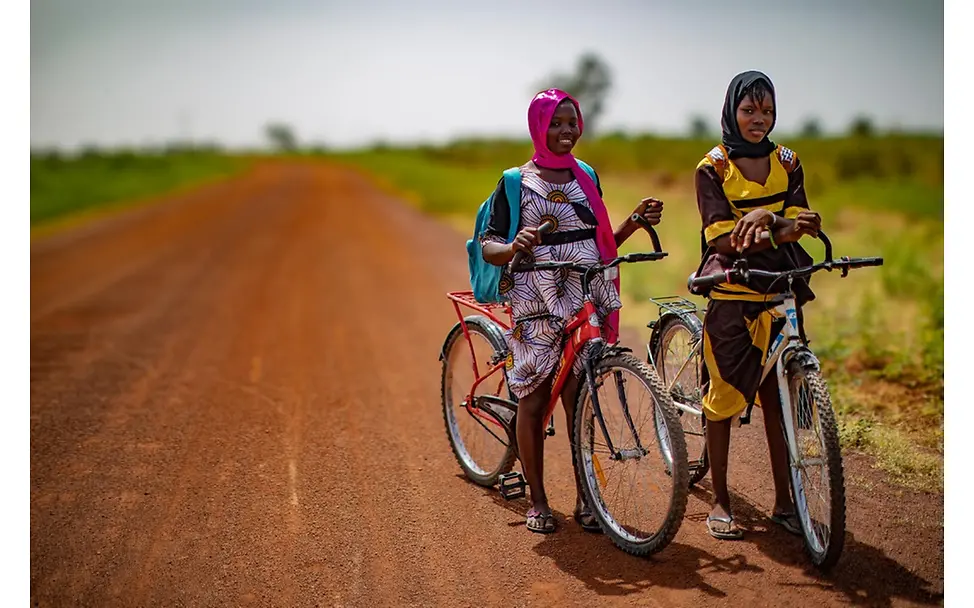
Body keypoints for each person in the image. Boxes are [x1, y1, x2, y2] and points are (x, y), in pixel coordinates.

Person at [480, 88, 663, 534]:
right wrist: (512, 245)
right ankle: (538, 501)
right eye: (556, 124)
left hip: (584, 292)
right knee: (535, 396)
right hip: (536, 301)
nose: (566, 132)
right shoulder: (514, 182)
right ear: (539, 127)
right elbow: (488, 245)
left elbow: (600, 245)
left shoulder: (586, 175)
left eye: (572, 123)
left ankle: (588, 500)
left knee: (579, 395)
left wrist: (634, 223)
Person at [693, 70, 822, 540]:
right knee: (723, 399)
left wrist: (769, 218)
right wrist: (778, 223)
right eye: (749, 110)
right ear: (732, 111)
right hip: (733, 289)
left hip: (780, 286)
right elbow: (722, 239)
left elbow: (800, 222)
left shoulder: (788, 161)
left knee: (778, 396)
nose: (759, 120)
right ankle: (722, 502)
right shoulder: (712, 167)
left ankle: (786, 504)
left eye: (767, 111)